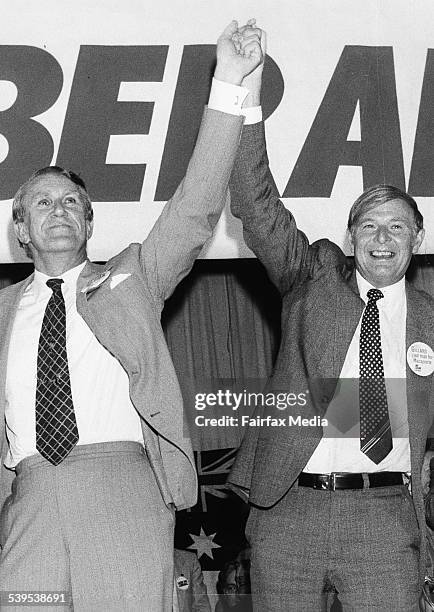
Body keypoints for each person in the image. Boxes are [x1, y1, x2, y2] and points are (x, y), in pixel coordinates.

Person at [0, 22, 263, 612]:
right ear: (20, 229)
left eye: (72, 203)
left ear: (90, 224)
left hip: (121, 486)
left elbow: (196, 208)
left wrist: (228, 83)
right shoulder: (1, 313)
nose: (59, 211)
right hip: (29, 497)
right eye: (41, 202)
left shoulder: (131, 282)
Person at [227, 22, 434, 611]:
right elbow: (255, 201)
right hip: (291, 509)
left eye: (397, 225)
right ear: (350, 238)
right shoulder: (313, 278)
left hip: (388, 520)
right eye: (368, 225)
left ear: (417, 237)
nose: (382, 237)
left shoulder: (429, 320)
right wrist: (245, 93)